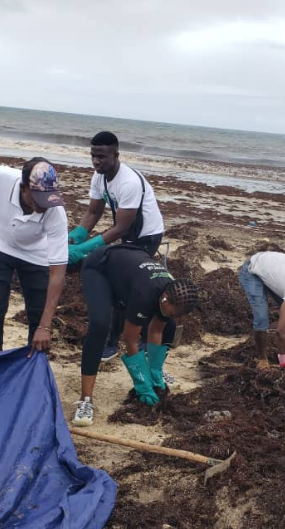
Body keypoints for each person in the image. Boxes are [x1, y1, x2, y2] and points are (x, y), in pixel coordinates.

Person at [71, 245, 199, 427]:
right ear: (164, 299)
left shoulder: (171, 289)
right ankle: (85, 400)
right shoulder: (145, 295)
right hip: (100, 268)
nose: (174, 315)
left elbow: (156, 330)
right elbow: (130, 339)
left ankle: (156, 371)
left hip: (129, 273)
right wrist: (141, 381)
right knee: (100, 325)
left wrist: (153, 371)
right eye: (173, 311)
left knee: (169, 325)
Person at [68, 131, 167, 361]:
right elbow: (93, 212)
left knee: (129, 287)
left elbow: (121, 227)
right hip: (128, 235)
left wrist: (84, 250)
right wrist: (74, 237)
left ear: (116, 155)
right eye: (93, 155)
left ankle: (122, 340)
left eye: (101, 156)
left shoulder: (128, 182)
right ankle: (115, 340)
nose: (96, 161)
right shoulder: (98, 177)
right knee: (120, 286)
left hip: (146, 236)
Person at [0, 157, 69, 356]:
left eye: (48, 198)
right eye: (38, 198)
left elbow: (57, 275)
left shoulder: (55, 212)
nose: (45, 205)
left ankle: (33, 366)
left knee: (38, 313)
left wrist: (45, 327)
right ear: (23, 188)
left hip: (35, 253)